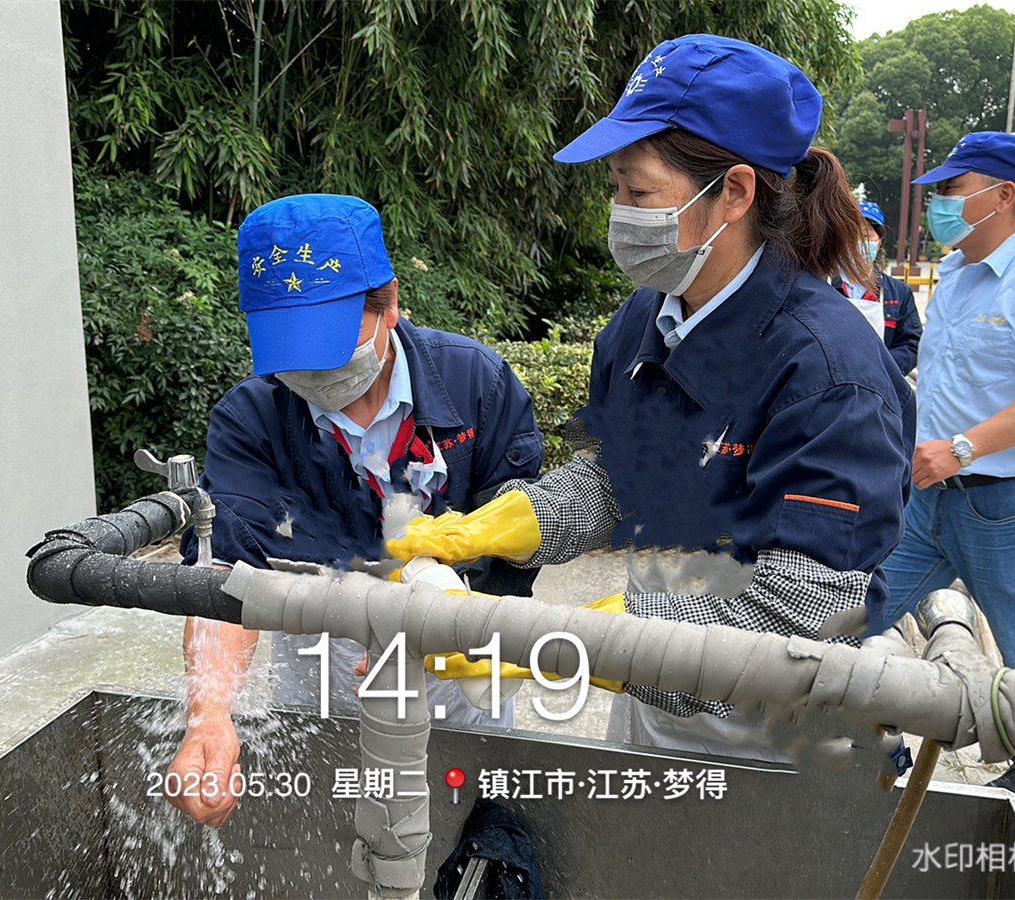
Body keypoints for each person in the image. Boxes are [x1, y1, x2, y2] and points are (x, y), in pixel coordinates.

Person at [389, 35, 915, 759]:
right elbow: (621, 478)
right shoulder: (648, 317)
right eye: (616, 189)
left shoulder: (829, 374)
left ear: (734, 193)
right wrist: (496, 524)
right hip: (651, 694)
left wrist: (572, 641)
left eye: (638, 193)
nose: (620, 211)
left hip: (778, 729)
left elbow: (800, 614)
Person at [166, 194, 544, 827]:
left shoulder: (478, 385)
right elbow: (226, 571)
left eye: (330, 345)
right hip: (322, 660)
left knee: (460, 824)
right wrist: (209, 714)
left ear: (389, 303)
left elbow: (519, 540)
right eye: (292, 351)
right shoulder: (252, 418)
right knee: (334, 827)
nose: (312, 370)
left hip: (457, 659)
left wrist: (450, 631)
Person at [878, 132, 1015, 810]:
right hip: (928, 496)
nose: (940, 204)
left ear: (1003, 195)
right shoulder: (954, 272)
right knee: (864, 603)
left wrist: (961, 448)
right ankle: (841, 725)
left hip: (1008, 502)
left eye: (953, 190)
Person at [832, 200, 923, 375]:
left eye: (866, 236)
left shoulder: (899, 293)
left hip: (883, 382)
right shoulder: (823, 285)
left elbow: (911, 344)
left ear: (879, 242)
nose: (858, 241)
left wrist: (878, 371)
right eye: (851, 235)